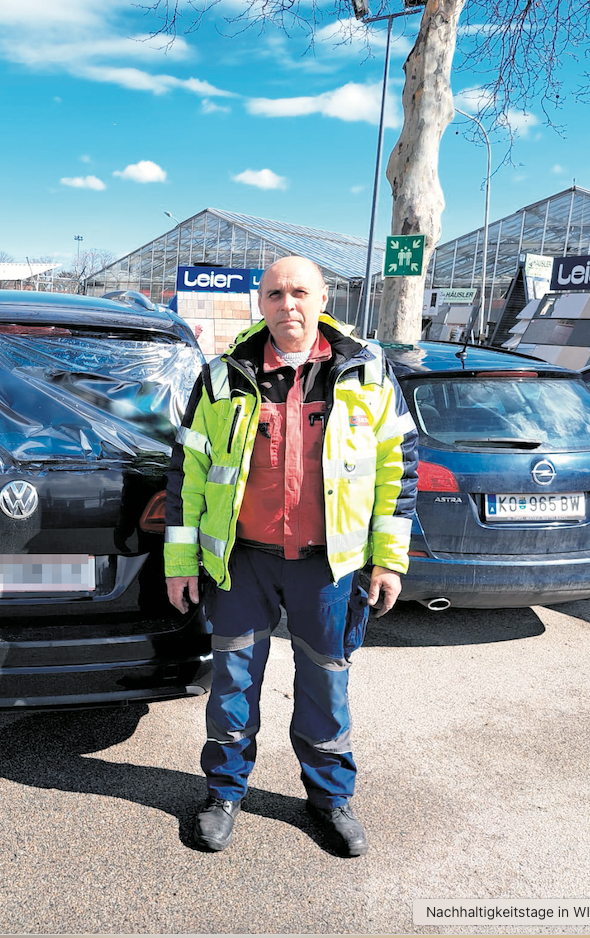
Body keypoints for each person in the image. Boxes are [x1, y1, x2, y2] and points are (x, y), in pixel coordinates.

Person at [164, 255, 418, 857]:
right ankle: (224, 794)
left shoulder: (368, 373)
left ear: (323, 298)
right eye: (275, 294)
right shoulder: (224, 376)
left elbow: (396, 471)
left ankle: (329, 798)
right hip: (241, 562)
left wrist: (387, 561)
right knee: (232, 684)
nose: (288, 305)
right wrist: (180, 562)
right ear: (261, 303)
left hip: (328, 566)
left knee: (325, 684)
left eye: (299, 292)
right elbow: (190, 474)